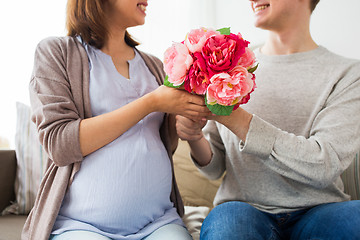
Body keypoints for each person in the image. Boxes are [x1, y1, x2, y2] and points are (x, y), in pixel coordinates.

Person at [22, 0, 211, 239]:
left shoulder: (155, 66)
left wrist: (185, 122)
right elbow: (59, 144)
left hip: (159, 222)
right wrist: (151, 103)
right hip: (80, 225)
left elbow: (165, 145)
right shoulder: (56, 52)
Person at [176, 0, 360, 239]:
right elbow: (215, 167)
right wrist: (194, 137)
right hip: (243, 211)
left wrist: (238, 120)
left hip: (322, 211)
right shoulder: (230, 67)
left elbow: (324, 164)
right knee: (228, 224)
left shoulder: (347, 75)